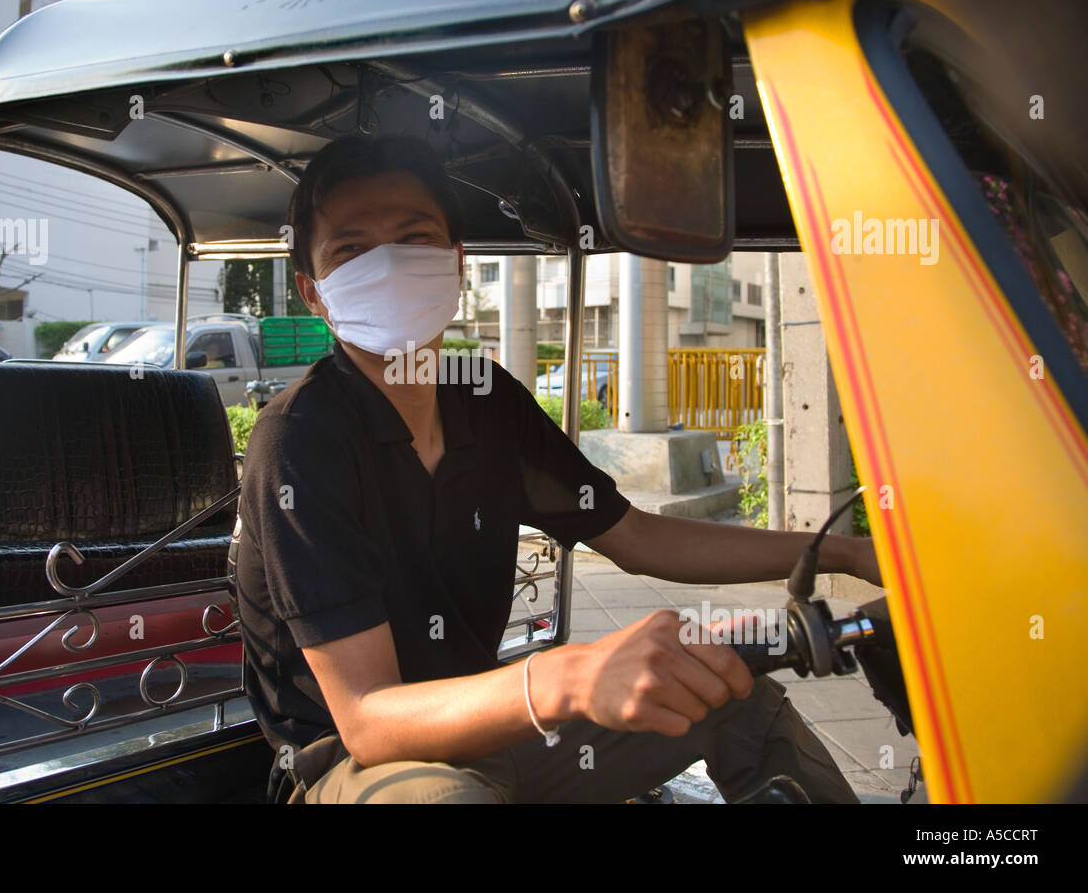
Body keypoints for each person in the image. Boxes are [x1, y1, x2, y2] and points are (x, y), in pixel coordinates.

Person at [233, 135, 880, 804]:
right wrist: (567, 676)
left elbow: (637, 536)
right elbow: (368, 718)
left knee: (727, 691)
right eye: (351, 250)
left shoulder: (483, 399)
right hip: (354, 767)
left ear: (456, 263)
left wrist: (848, 553)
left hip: (493, 728)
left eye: (414, 238)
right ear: (315, 292)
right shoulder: (301, 437)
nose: (389, 266)